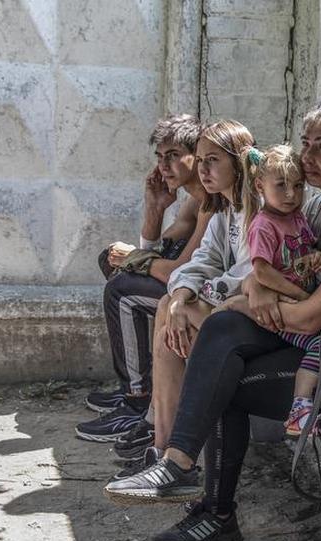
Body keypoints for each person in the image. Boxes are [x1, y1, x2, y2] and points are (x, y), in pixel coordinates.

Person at [105, 100, 321, 541]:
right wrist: (245, 296)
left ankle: (203, 498)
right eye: (305, 144)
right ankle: (183, 472)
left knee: (224, 357)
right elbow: (261, 278)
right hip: (317, 349)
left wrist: (248, 301)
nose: (307, 156)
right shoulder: (309, 211)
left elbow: (314, 313)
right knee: (222, 333)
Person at [100, 119, 256, 478]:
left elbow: (250, 273)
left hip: (259, 311)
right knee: (169, 308)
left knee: (161, 307)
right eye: (200, 160)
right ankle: (161, 450)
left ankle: (152, 423)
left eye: (212, 160)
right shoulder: (223, 209)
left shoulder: (254, 209)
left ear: (239, 162)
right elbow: (201, 261)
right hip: (226, 302)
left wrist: (190, 298)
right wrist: (180, 297)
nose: (203, 169)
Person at [75, 115, 214, 444]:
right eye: (159, 157)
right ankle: (136, 388)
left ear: (197, 156)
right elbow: (157, 251)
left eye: (173, 155)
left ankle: (137, 399)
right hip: (182, 288)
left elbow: (179, 269)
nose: (164, 166)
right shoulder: (190, 201)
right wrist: (155, 207)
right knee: (114, 267)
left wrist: (135, 259)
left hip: (204, 298)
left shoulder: (211, 203)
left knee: (122, 290)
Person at [229, 144, 321, 436]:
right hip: (285, 304)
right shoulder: (264, 225)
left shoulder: (297, 218)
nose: (291, 195)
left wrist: (314, 259)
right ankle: (299, 407)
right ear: (260, 185)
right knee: (319, 343)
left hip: (298, 300)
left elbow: (298, 260)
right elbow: (262, 270)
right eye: (281, 185)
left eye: (298, 186)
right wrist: (301, 297)